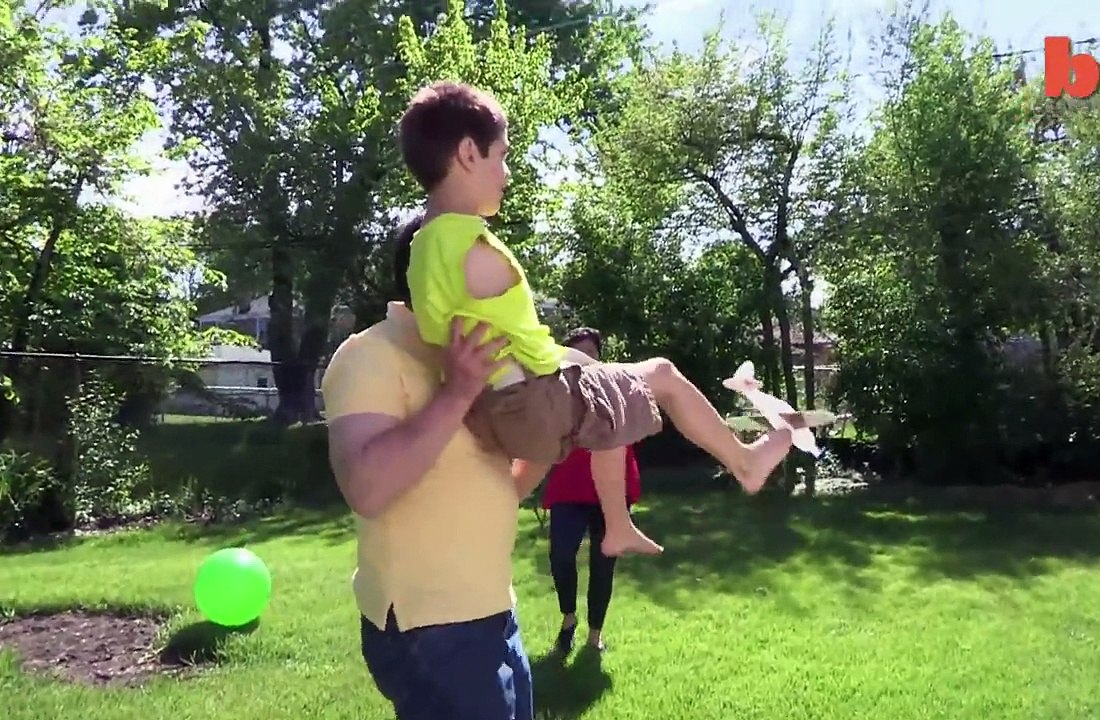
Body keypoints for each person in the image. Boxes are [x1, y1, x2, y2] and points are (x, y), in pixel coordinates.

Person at [396, 80, 805, 559]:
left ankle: (566, 514)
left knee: (601, 389)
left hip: (492, 412)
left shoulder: (422, 248)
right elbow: (533, 350)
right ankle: (745, 463)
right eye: (500, 156)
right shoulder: (476, 250)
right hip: (532, 405)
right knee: (660, 375)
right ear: (468, 153)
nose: (506, 173)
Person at [322, 251, 548, 716]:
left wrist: (551, 440)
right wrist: (460, 391)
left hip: (492, 610)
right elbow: (366, 489)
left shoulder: (475, 356)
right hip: (429, 625)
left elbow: (491, 492)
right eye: (485, 277)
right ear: (434, 277)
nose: (501, 291)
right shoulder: (369, 355)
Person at [542, 327, 639, 655]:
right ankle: (568, 620)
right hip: (569, 488)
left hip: (611, 489)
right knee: (560, 556)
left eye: (591, 355)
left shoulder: (616, 387)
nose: (586, 362)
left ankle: (595, 635)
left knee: (604, 561)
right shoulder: (554, 394)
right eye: (578, 355)